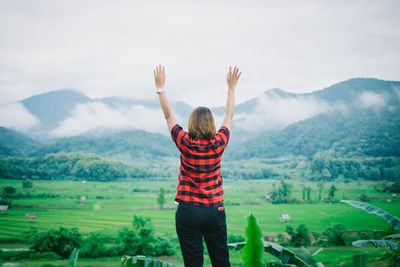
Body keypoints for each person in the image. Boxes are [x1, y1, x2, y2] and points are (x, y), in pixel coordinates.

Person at [153, 65, 241, 267]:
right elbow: (229, 117)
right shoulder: (218, 144)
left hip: (189, 211)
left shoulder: (185, 143)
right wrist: (231, 88)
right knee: (221, 261)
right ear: (211, 124)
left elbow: (169, 116)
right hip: (215, 211)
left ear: (191, 124)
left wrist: (160, 88)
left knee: (193, 264)